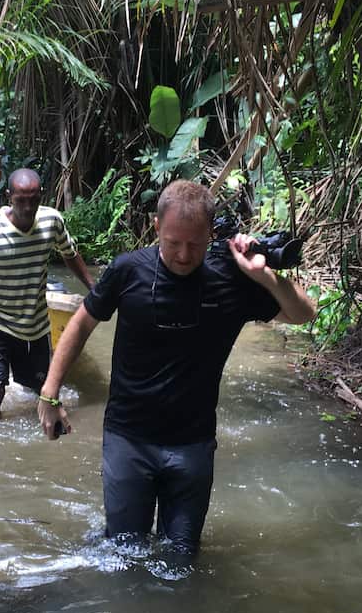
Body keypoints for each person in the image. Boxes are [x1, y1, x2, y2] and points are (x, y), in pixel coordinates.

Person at [36, 179, 316, 554]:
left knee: (181, 559)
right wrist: (50, 392)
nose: (184, 255)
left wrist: (263, 275)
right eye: (173, 243)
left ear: (211, 234)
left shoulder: (232, 278)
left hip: (191, 446)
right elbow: (82, 323)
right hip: (128, 439)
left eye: (195, 244)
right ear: (155, 227)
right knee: (123, 552)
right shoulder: (128, 271)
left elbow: (303, 314)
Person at [0, 168, 94, 419]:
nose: (27, 207)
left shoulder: (52, 221)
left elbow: (70, 254)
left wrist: (94, 288)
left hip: (35, 326)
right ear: (9, 196)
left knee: (43, 390)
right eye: (20, 200)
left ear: (41, 197)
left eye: (33, 200)